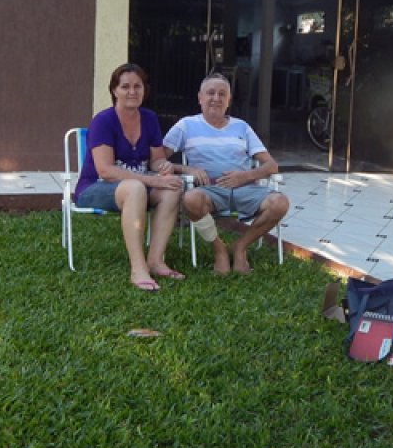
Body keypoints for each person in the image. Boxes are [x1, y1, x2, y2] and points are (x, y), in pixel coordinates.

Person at [158, 72, 290, 274]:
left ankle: (240, 247)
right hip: (209, 190)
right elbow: (158, 159)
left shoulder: (242, 127)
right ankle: (219, 250)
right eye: (210, 93)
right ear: (200, 98)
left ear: (228, 100)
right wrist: (186, 169)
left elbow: (271, 165)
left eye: (222, 94)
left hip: (245, 188)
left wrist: (245, 176)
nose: (216, 98)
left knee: (280, 203)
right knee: (191, 199)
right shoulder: (186, 125)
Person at [74, 63, 184, 291]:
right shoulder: (103, 121)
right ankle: (138, 269)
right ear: (115, 90)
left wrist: (163, 167)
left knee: (172, 188)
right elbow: (105, 170)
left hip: (136, 187)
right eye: (126, 86)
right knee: (135, 187)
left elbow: (155, 159)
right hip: (96, 188)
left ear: (144, 90)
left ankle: (155, 260)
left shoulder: (150, 118)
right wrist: (153, 180)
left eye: (138, 86)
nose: (132, 91)